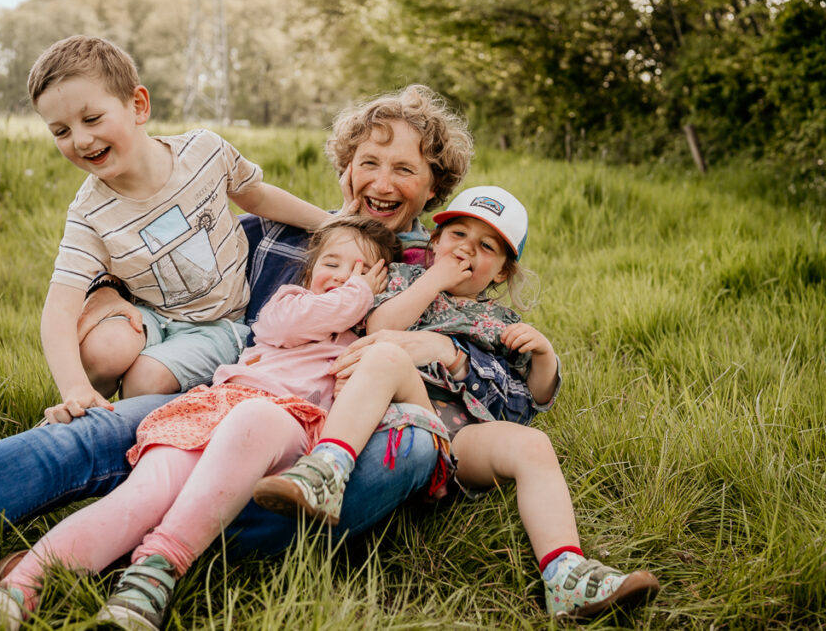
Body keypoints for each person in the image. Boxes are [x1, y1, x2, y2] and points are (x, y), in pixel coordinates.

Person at [0, 85, 495, 610]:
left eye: (404, 169)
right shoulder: (280, 238)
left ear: (435, 187)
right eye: (368, 161)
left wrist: (442, 353)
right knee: (84, 435)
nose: (381, 182)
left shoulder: (455, 273)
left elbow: (493, 400)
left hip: (331, 449)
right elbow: (163, 279)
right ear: (345, 168)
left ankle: (94, 553)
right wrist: (108, 301)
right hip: (222, 400)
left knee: (403, 453)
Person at [0, 216, 399, 630]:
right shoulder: (289, 304)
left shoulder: (365, 346)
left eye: (363, 271)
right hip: (214, 407)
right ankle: (19, 589)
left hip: (284, 425)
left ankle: (152, 575)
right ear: (309, 272)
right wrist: (359, 291)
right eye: (332, 264)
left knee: (257, 417)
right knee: (145, 493)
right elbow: (309, 319)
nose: (346, 277)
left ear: (382, 288)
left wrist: (372, 304)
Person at [254, 186, 661, 618]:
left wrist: (542, 355)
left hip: (456, 441)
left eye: (486, 247)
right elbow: (378, 326)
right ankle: (325, 473)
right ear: (434, 243)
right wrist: (434, 280)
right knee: (388, 355)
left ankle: (565, 574)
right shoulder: (400, 280)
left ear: (502, 272)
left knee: (533, 445)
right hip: (390, 421)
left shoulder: (500, 323)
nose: (466, 249)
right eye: (458, 235)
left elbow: (525, 404)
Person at [29, 35, 329, 416]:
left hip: (218, 324)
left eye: (92, 119)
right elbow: (59, 308)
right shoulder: (90, 213)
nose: (82, 140)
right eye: (61, 131)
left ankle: (144, 418)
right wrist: (73, 386)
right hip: (149, 316)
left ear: (138, 105)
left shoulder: (203, 153)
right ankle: (85, 411)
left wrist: (331, 222)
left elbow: (257, 197)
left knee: (143, 382)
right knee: (103, 351)